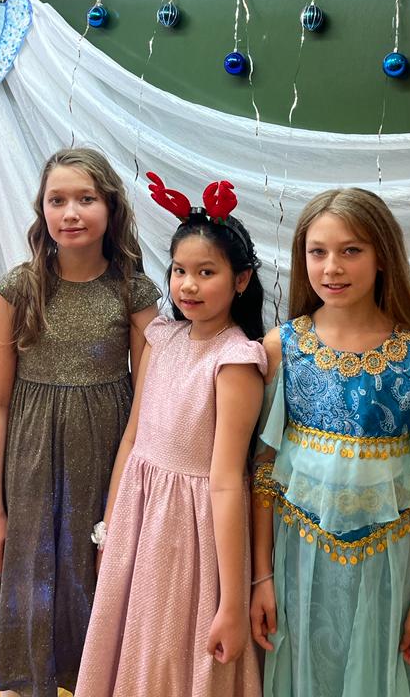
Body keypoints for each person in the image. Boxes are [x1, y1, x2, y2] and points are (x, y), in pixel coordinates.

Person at [0, 148, 160, 697]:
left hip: (104, 469)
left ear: (111, 208)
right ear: (42, 210)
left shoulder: (134, 292)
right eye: (58, 200)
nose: (71, 212)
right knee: (30, 592)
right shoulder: (19, 289)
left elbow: (148, 404)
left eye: (86, 198)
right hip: (29, 475)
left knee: (92, 587)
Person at [251, 188, 410, 697]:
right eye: (317, 251)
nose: (332, 267)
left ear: (382, 256)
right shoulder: (281, 349)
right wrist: (261, 578)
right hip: (297, 567)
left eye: (351, 250)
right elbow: (263, 469)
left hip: (389, 571)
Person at [75, 172, 265, 697]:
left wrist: (232, 602)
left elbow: (226, 481)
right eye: (180, 270)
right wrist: (110, 530)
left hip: (192, 537)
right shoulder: (161, 337)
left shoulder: (236, 361)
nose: (188, 286)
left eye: (206, 272)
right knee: (134, 650)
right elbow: (132, 440)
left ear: (241, 280)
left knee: (175, 660)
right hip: (138, 524)